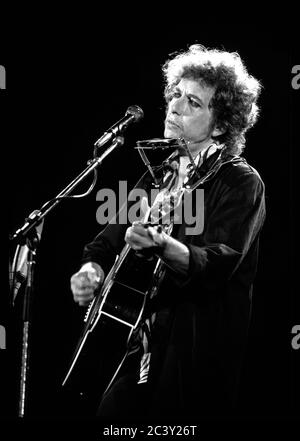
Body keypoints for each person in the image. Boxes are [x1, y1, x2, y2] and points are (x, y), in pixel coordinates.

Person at [69, 43, 266, 421]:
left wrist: (160, 243)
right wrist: (90, 270)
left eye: (193, 102)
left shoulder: (240, 181)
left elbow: (217, 263)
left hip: (193, 352)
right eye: (175, 94)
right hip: (139, 342)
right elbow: (106, 242)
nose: (175, 106)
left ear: (222, 123)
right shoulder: (161, 175)